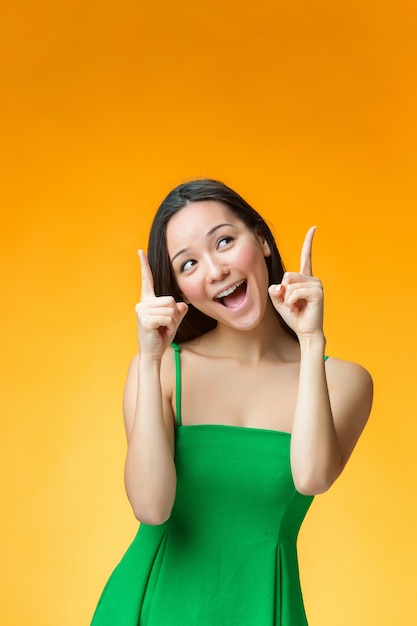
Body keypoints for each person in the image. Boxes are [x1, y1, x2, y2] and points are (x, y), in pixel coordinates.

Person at [91, 179, 373, 626]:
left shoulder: (343, 380)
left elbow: (312, 476)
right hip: (149, 604)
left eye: (224, 241)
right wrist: (148, 360)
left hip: (262, 606)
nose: (215, 270)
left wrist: (310, 341)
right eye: (188, 265)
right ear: (181, 290)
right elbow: (151, 507)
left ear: (260, 239)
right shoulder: (163, 370)